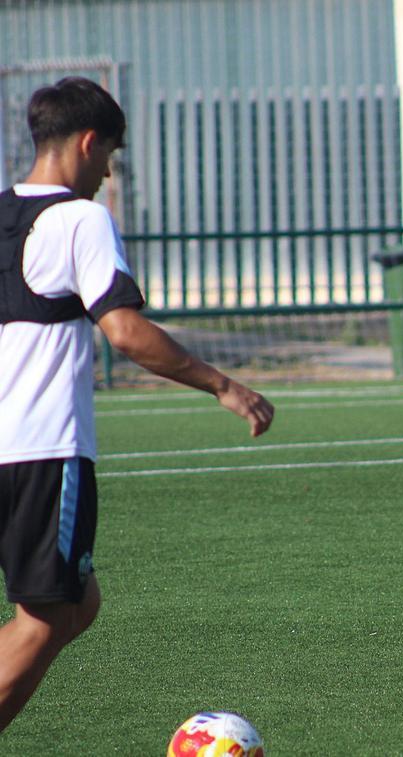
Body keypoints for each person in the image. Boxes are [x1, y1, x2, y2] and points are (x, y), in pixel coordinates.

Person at [0, 77, 274, 732]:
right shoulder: (80, 217)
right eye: (110, 159)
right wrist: (223, 385)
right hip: (40, 451)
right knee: (47, 618)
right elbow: (124, 331)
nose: (107, 175)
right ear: (89, 143)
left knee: (78, 601)